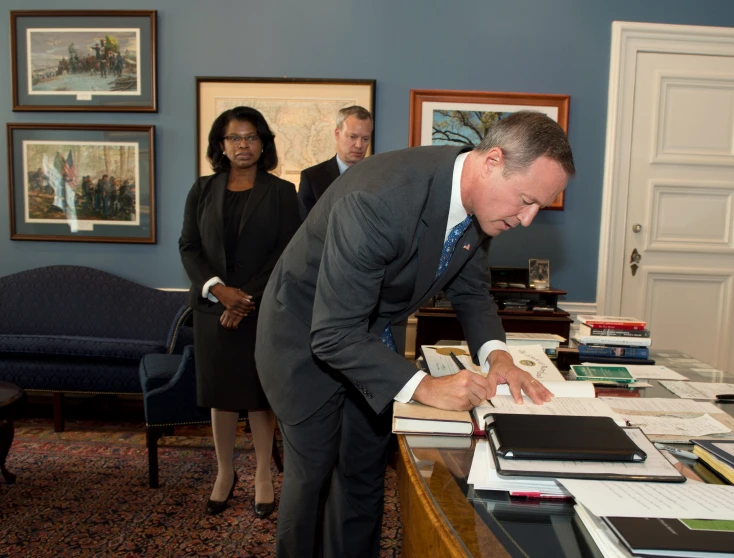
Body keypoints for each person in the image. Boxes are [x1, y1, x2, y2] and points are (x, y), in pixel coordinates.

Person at [255, 111, 575, 557]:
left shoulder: (480, 205)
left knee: (364, 473)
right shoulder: (380, 199)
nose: (527, 219)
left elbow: (472, 290)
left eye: (539, 205)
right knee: (313, 479)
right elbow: (334, 333)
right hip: (306, 340)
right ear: (492, 161)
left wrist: (498, 356)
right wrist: (424, 387)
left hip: (372, 339)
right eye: (526, 200)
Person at [179, 106, 300, 518]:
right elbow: (189, 248)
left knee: (259, 395)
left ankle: (264, 474)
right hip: (214, 309)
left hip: (262, 310)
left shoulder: (283, 192)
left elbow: (287, 253)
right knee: (222, 395)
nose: (243, 144)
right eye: (234, 138)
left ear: (263, 143)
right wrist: (219, 291)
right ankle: (225, 473)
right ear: (221, 145)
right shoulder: (201, 190)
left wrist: (245, 298)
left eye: (251, 137)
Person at [297, 105, 373, 220]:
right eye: (352, 137)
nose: (359, 145)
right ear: (337, 134)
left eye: (365, 139)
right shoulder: (312, 178)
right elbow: (305, 230)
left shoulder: (377, 178)